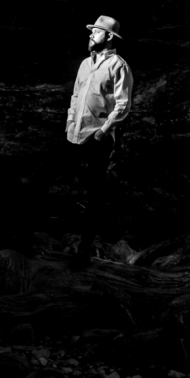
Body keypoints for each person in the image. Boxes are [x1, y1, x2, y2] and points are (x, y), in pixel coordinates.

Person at [66, 14, 133, 268]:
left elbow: (123, 104)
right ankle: (24, 241)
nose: (91, 35)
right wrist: (70, 123)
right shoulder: (85, 64)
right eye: (91, 31)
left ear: (108, 36)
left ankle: (83, 253)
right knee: (42, 177)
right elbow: (75, 96)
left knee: (94, 196)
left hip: (97, 137)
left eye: (96, 31)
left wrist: (103, 131)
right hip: (74, 134)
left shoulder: (119, 65)